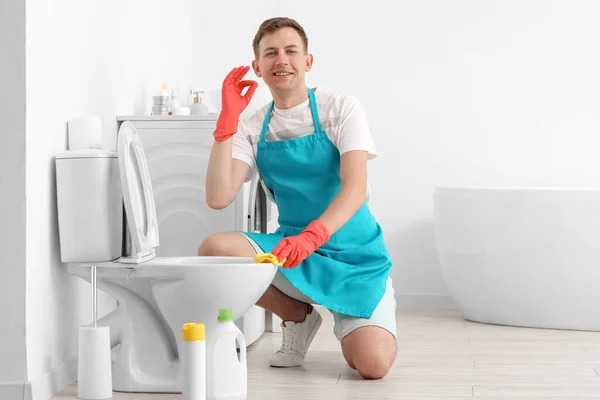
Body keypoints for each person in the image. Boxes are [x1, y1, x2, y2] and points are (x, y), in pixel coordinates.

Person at [198, 17, 397, 379]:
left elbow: (354, 189)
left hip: (356, 257)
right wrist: (225, 124)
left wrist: (313, 236)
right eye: (270, 53)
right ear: (257, 68)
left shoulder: (341, 108)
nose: (282, 60)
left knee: (371, 365)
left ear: (308, 61)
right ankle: (297, 317)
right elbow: (218, 197)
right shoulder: (252, 125)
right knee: (214, 249)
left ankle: (360, 316)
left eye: (291, 51)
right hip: (293, 251)